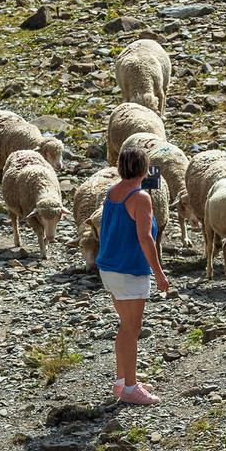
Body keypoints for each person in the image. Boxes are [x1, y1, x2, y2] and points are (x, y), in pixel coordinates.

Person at [97, 136, 170, 405]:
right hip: (129, 270)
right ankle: (130, 389)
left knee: (125, 326)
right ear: (144, 168)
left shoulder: (114, 190)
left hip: (110, 267)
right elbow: (145, 238)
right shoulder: (140, 197)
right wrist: (159, 273)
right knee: (131, 328)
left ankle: (122, 381)